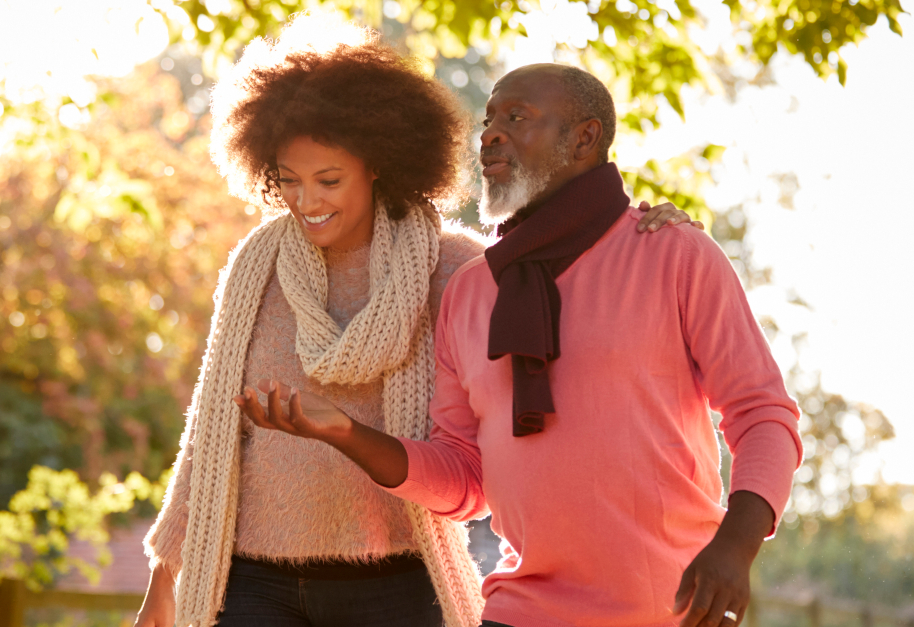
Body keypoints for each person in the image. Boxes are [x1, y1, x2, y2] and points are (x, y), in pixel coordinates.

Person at [139, 19, 700, 627]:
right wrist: (161, 593)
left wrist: (640, 225)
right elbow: (208, 440)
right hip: (254, 580)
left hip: (399, 582)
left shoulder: (454, 270)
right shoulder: (256, 269)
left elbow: (555, 270)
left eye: (328, 180)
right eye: (289, 182)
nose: (307, 202)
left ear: (378, 164)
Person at [236, 62, 801, 627]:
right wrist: (347, 434)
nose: (490, 134)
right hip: (518, 610)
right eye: (488, 120)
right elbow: (465, 479)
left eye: (517, 117)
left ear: (585, 137)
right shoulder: (471, 292)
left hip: (668, 608)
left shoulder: (673, 254)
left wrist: (736, 545)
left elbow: (763, 414)